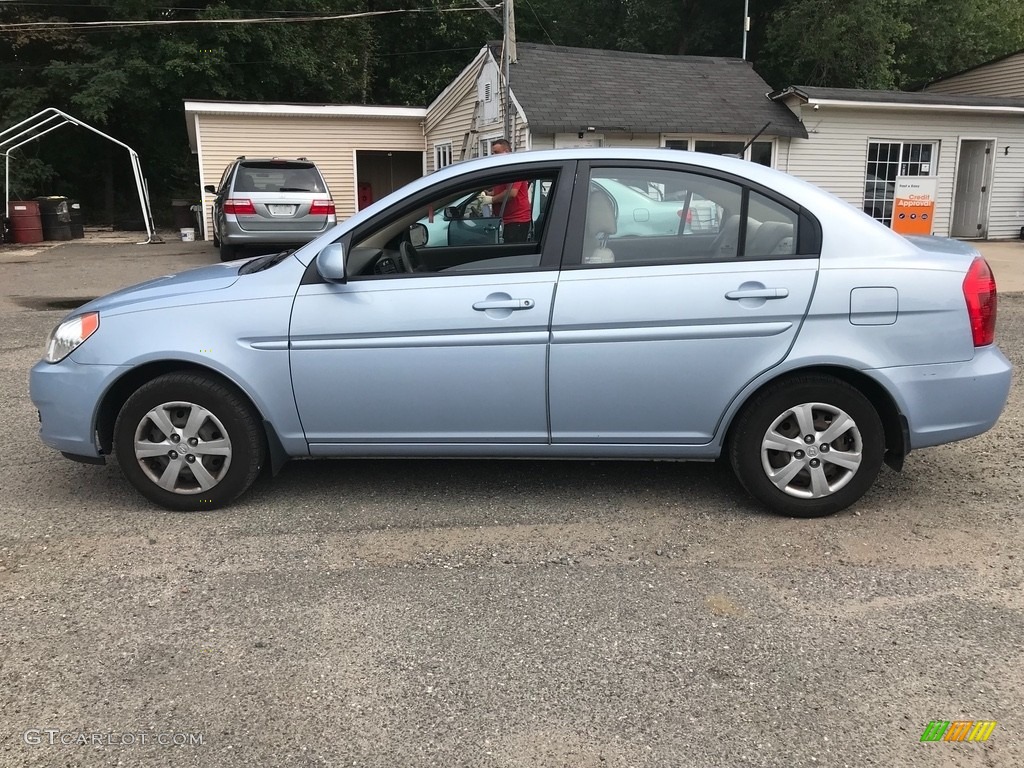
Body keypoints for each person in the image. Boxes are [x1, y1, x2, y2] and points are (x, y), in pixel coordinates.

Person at [481, 138, 532, 243]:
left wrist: (491, 200)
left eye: (496, 152)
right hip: (505, 220)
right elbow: (501, 190)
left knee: (512, 255)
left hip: (517, 220)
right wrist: (488, 194)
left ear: (507, 152)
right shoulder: (503, 169)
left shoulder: (515, 168)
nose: (494, 156)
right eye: (492, 153)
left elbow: (511, 193)